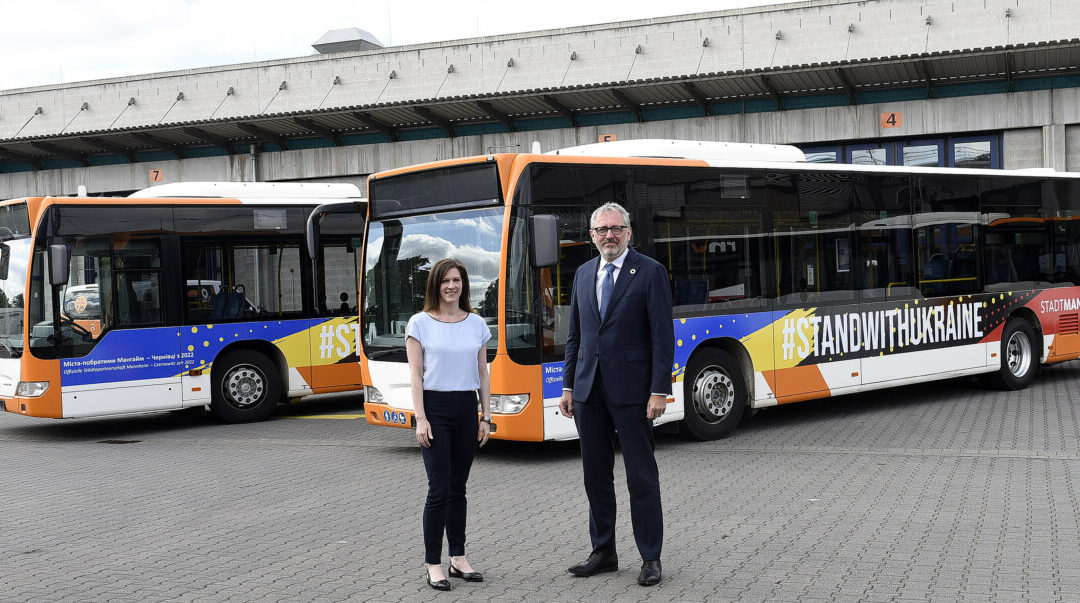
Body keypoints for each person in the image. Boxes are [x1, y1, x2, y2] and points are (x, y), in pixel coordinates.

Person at [559, 202, 675, 587]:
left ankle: (650, 557)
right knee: (596, 476)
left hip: (634, 393)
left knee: (641, 476)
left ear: (628, 232)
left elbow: (662, 336)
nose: (609, 235)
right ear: (591, 236)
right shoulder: (583, 273)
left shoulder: (650, 272)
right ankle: (604, 551)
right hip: (589, 392)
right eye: (602, 230)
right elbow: (575, 335)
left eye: (616, 228)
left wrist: (659, 389)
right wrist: (568, 385)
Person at [406, 258, 493, 592]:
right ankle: (433, 564)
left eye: (456, 280)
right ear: (435, 285)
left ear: (463, 284)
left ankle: (458, 557)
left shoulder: (476, 323)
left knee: (459, 488)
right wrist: (421, 418)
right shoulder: (419, 323)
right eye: (445, 281)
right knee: (439, 489)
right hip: (435, 409)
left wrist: (486, 416)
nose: (451, 286)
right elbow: (415, 373)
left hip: (465, 408)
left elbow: (483, 371)